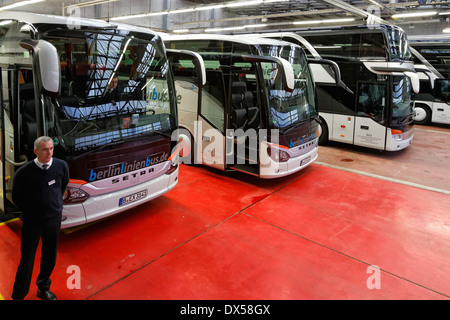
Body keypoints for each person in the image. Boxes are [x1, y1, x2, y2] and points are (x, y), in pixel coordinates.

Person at [11, 136, 69, 300]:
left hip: (53, 219)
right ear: (36, 151)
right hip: (32, 221)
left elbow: (63, 185)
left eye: (51, 149)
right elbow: (17, 197)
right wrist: (32, 211)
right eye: (45, 149)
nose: (49, 152)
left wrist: (55, 206)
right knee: (27, 259)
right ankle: (18, 295)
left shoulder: (61, 166)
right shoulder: (24, 173)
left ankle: (43, 288)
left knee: (50, 255)